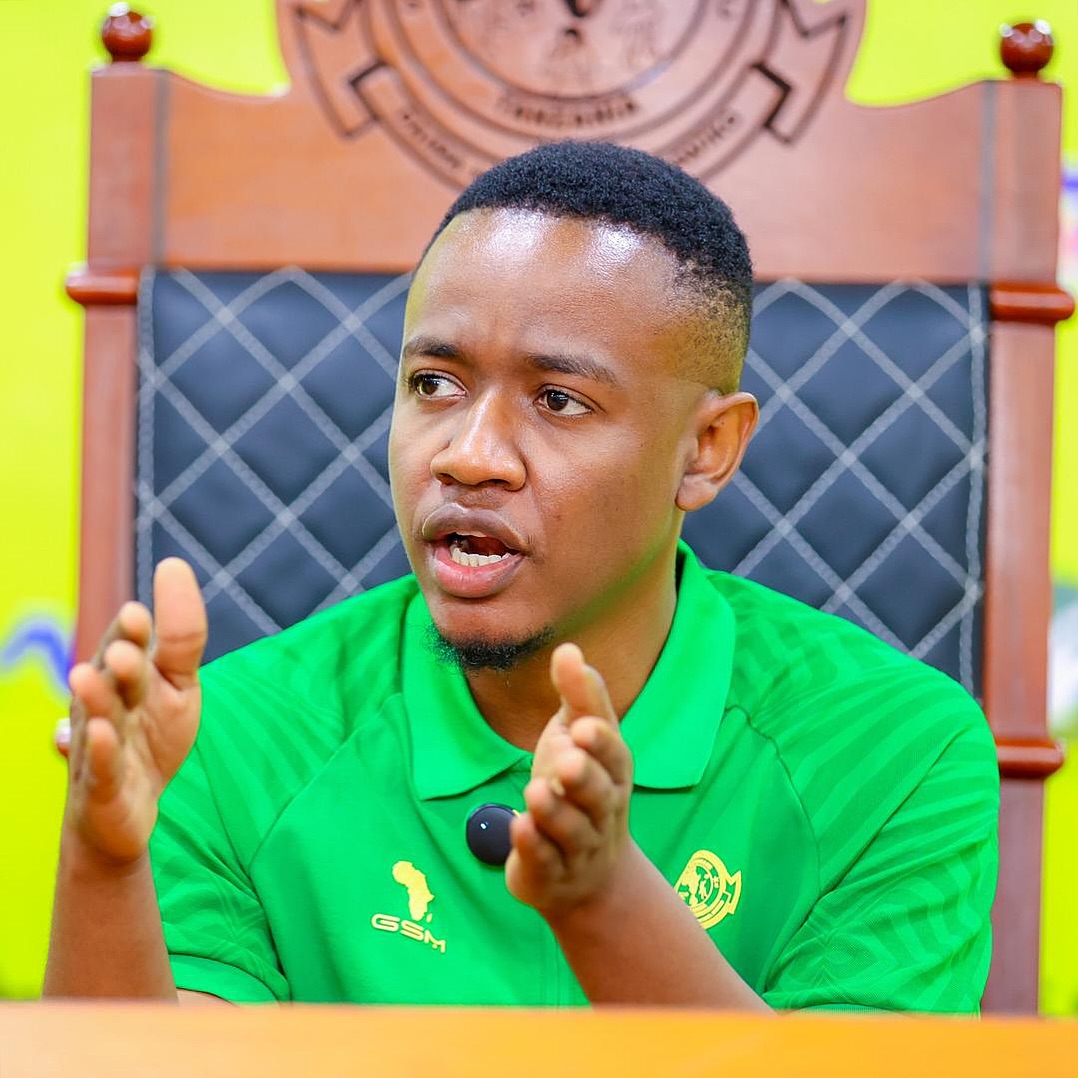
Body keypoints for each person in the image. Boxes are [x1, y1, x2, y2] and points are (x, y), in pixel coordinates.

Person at [44, 141, 998, 1011]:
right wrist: (103, 862)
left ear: (707, 448)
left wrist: (606, 905)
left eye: (558, 399)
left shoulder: (898, 750)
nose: (469, 454)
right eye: (434, 384)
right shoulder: (225, 739)